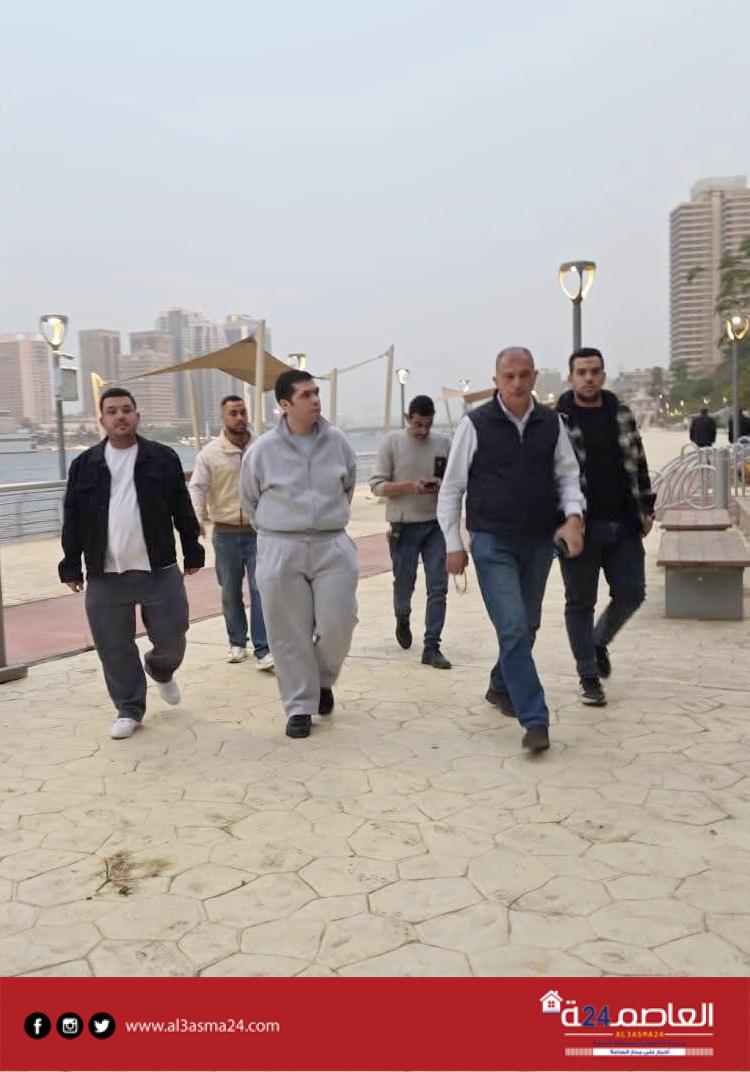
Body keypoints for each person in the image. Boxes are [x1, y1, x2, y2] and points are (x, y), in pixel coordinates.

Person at [438, 347, 585, 752]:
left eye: (524, 375)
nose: (517, 383)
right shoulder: (475, 424)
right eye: (509, 376)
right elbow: (452, 488)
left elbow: (568, 475)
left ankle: (500, 685)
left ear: (534, 377)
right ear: (497, 381)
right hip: (491, 541)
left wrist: (573, 517)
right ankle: (535, 719)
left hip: (539, 541)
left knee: (528, 625)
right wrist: (453, 544)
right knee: (514, 627)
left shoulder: (552, 423)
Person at [58, 387, 204, 739]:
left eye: (126, 409)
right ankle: (129, 707)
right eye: (112, 411)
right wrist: (70, 565)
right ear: (102, 419)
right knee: (113, 646)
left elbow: (182, 508)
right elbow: (73, 518)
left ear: (136, 415)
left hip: (159, 568)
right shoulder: (85, 465)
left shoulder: (162, 458)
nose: (120, 416)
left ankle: (161, 669)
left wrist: (192, 549)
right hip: (104, 573)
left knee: (173, 636)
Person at [240, 370, 358, 739]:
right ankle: (300, 706)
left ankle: (322, 680)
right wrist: (280, 529)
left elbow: (348, 484)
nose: (315, 400)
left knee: (339, 622)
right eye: (306, 395)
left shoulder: (338, 442)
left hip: (331, 543)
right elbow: (249, 499)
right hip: (280, 545)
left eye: (316, 392)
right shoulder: (262, 450)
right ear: (285, 404)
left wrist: (326, 518)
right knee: (287, 633)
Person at [556, 347, 655, 706]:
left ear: (603, 374)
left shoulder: (620, 412)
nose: (588, 378)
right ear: (571, 377)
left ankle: (598, 642)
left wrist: (646, 508)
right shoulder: (557, 420)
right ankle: (588, 676)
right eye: (581, 372)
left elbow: (638, 461)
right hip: (580, 526)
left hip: (624, 523)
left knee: (633, 593)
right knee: (580, 602)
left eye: (594, 371)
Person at [188, 395, 273, 670]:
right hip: (225, 534)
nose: (239, 418)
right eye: (233, 413)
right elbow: (197, 487)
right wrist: (197, 518)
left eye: (242, 412)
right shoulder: (209, 454)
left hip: (258, 531)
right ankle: (237, 642)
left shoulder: (261, 448)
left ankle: (263, 648)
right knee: (230, 591)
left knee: (262, 589)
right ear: (222, 417)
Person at [370, 395, 452, 669]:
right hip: (403, 526)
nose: (423, 430)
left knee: (438, 586)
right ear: (408, 418)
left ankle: (432, 645)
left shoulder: (444, 443)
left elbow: (455, 479)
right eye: (418, 425)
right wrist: (410, 487)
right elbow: (376, 485)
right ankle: (402, 616)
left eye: (428, 424)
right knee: (404, 583)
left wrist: (441, 485)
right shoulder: (392, 442)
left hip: (436, 524)